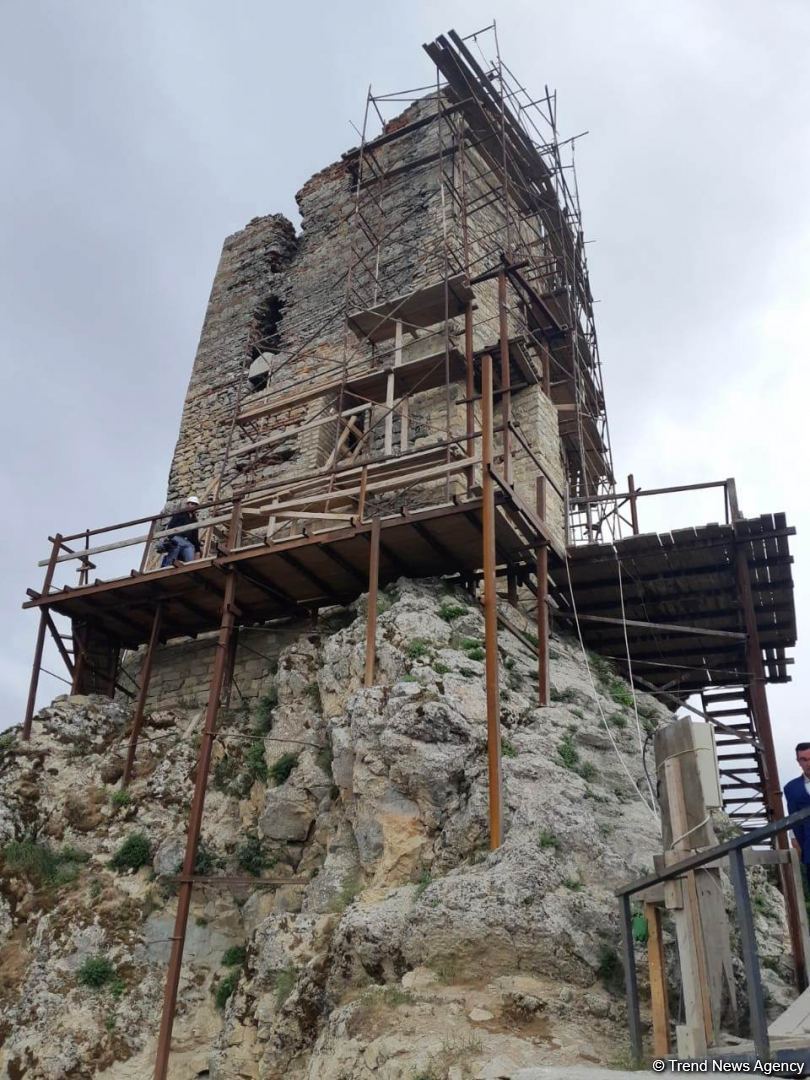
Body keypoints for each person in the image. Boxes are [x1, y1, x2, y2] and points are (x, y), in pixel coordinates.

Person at [784, 742, 810, 897]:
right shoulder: (791, 788)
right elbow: (794, 820)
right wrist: (799, 845)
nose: (808, 763)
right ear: (798, 762)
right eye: (804, 759)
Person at [160, 496, 202, 567]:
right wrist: (171, 538)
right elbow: (171, 526)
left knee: (190, 562)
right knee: (175, 547)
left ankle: (190, 569)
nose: (193, 506)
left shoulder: (194, 520)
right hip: (177, 538)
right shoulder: (180, 514)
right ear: (187, 504)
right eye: (192, 504)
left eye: (195, 505)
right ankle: (167, 566)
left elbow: (195, 537)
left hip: (188, 543)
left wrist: (198, 550)